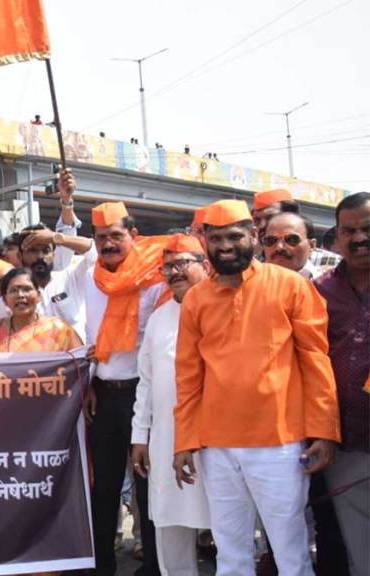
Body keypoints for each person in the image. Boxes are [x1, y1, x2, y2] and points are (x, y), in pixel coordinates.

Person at [173, 199, 340, 576]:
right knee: (231, 553)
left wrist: (323, 431)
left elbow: (316, 361)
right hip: (217, 445)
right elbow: (188, 376)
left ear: (253, 236)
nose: (226, 246)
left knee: (290, 553)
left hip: (278, 443)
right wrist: (184, 440)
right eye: (216, 238)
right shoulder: (196, 299)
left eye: (235, 236)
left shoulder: (290, 286)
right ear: (204, 242)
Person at [83, 201, 168, 576]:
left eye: (116, 235)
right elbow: (82, 333)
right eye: (102, 238)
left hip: (142, 395)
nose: (109, 243)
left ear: (133, 236)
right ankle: (101, 566)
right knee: (103, 486)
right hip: (102, 394)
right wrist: (88, 383)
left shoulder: (154, 278)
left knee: (147, 485)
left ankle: (153, 565)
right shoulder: (88, 276)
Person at [129, 235, 211, 576]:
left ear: (205, 265)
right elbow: (146, 381)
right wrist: (140, 436)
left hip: (218, 438)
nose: (174, 272)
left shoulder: (224, 305)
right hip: (166, 437)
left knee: (230, 525)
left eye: (183, 264)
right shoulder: (160, 318)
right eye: (169, 266)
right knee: (170, 525)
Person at [314, 191, 370, 576]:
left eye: (368, 229)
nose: (359, 238)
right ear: (336, 237)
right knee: (360, 549)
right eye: (349, 230)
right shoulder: (319, 291)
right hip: (346, 441)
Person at [0, 267, 81, 353]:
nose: (20, 295)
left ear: (39, 296)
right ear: (5, 299)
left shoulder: (59, 329)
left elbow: (79, 362)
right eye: (13, 290)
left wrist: (89, 355)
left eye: (27, 289)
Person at [263, 211, 321, 279]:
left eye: (291, 240)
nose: (279, 247)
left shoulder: (325, 286)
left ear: (311, 246)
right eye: (271, 240)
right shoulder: (252, 279)